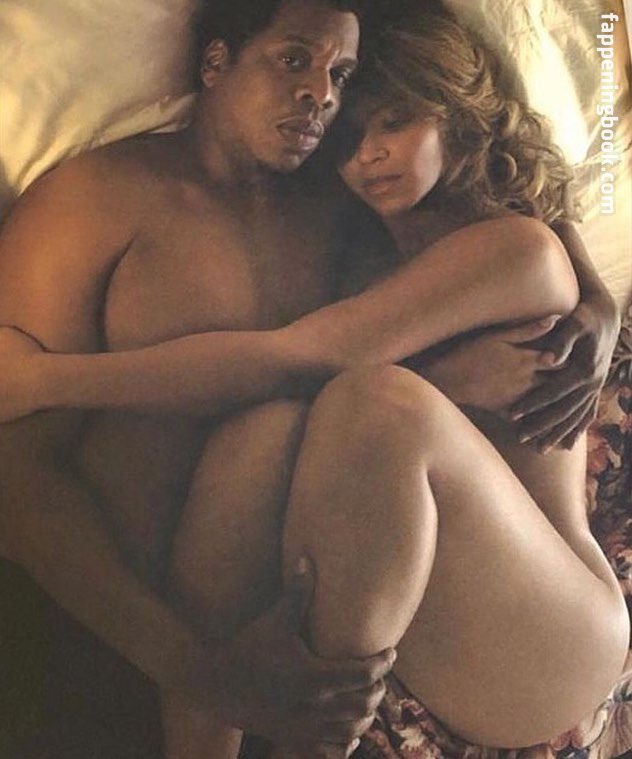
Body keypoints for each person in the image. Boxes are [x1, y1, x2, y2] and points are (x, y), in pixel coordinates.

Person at [0, 0, 623, 757]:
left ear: (454, 112)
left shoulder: (507, 245)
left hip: (553, 629)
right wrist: (456, 374)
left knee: (377, 402)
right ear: (215, 62)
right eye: (349, 133)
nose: (355, 138)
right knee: (263, 431)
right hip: (426, 607)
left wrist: (46, 380)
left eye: (374, 105)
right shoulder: (353, 222)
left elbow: (303, 355)